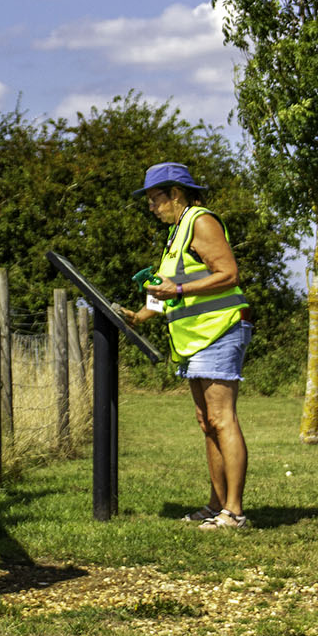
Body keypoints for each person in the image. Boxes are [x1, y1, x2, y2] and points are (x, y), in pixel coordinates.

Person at [119, 162, 253, 530]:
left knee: (222, 419)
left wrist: (177, 290)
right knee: (206, 421)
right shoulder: (176, 234)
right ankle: (216, 505)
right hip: (197, 337)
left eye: (153, 199)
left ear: (174, 193)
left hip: (221, 329)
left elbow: (228, 274)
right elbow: (169, 291)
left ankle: (235, 512)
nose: (150, 207)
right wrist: (139, 316)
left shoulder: (200, 221)